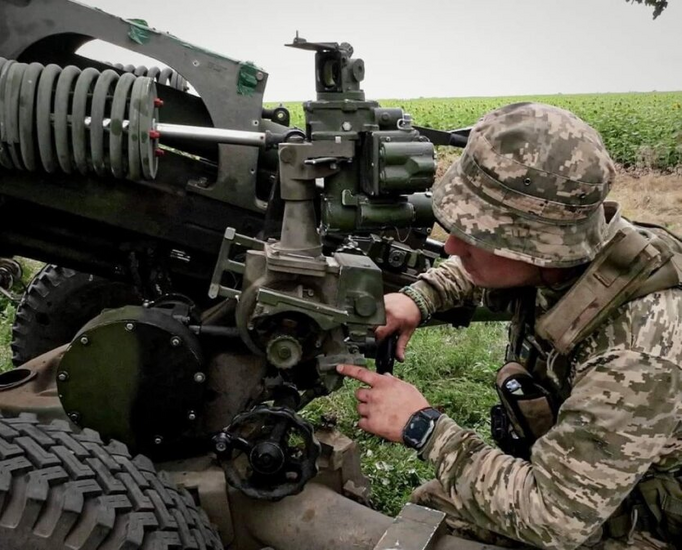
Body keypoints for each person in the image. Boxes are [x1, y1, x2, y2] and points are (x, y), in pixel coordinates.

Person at [337, 102, 682, 550]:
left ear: (541, 250)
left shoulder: (636, 355)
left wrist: (423, 427)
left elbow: (554, 518)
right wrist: (418, 298)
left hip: (643, 525)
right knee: (435, 508)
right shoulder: (584, 253)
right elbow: (484, 268)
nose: (453, 246)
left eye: (476, 235)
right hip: (605, 487)